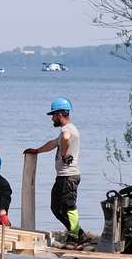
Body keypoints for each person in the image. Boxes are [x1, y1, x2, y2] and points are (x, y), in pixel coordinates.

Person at [25, 96, 86, 245]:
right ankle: (78, 233)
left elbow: (65, 139)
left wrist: (64, 154)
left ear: (59, 114)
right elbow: (53, 143)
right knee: (55, 207)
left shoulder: (67, 129)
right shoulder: (66, 130)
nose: (52, 119)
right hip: (63, 176)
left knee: (68, 206)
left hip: (69, 176)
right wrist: (37, 151)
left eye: (53, 115)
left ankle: (74, 237)